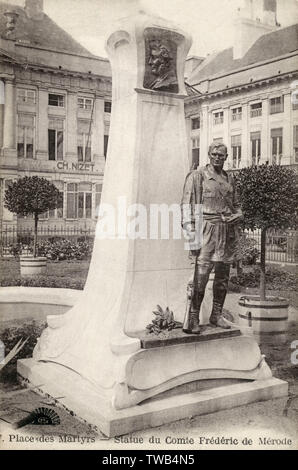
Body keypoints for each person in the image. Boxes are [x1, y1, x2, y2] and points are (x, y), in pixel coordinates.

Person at [181, 142, 243, 334]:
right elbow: (186, 208)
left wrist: (238, 215)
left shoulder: (229, 179)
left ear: (226, 157)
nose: (217, 157)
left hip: (226, 230)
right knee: (201, 276)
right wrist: (191, 238)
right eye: (214, 154)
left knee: (223, 276)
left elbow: (237, 205)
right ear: (208, 155)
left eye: (221, 155)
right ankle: (193, 318)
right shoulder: (197, 176)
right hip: (205, 229)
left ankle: (216, 315)